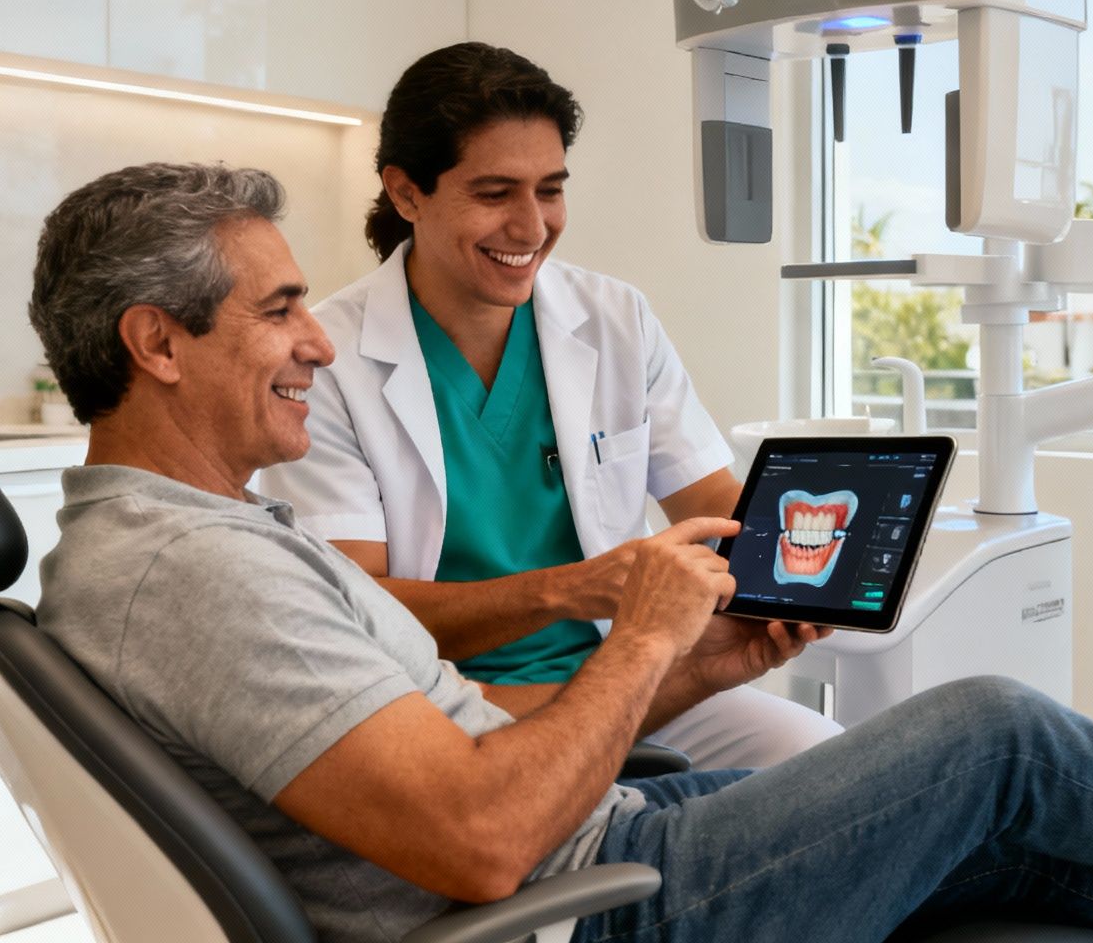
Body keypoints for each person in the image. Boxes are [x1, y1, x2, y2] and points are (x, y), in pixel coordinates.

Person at [31, 163, 1093, 943]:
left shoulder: (181, 540)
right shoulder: (190, 572)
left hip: (582, 846)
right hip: (591, 912)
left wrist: (686, 664)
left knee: (999, 833)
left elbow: (470, 767)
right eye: (278, 313)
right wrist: (632, 631)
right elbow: (484, 842)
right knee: (994, 739)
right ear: (156, 344)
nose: (314, 343)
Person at [259, 42, 840, 769]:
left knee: (830, 761)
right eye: (495, 194)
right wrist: (572, 590)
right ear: (408, 193)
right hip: (446, 703)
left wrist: (794, 582)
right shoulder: (327, 359)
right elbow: (360, 613)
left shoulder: (614, 318)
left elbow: (717, 503)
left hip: (633, 678)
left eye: (550, 189)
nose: (532, 228)